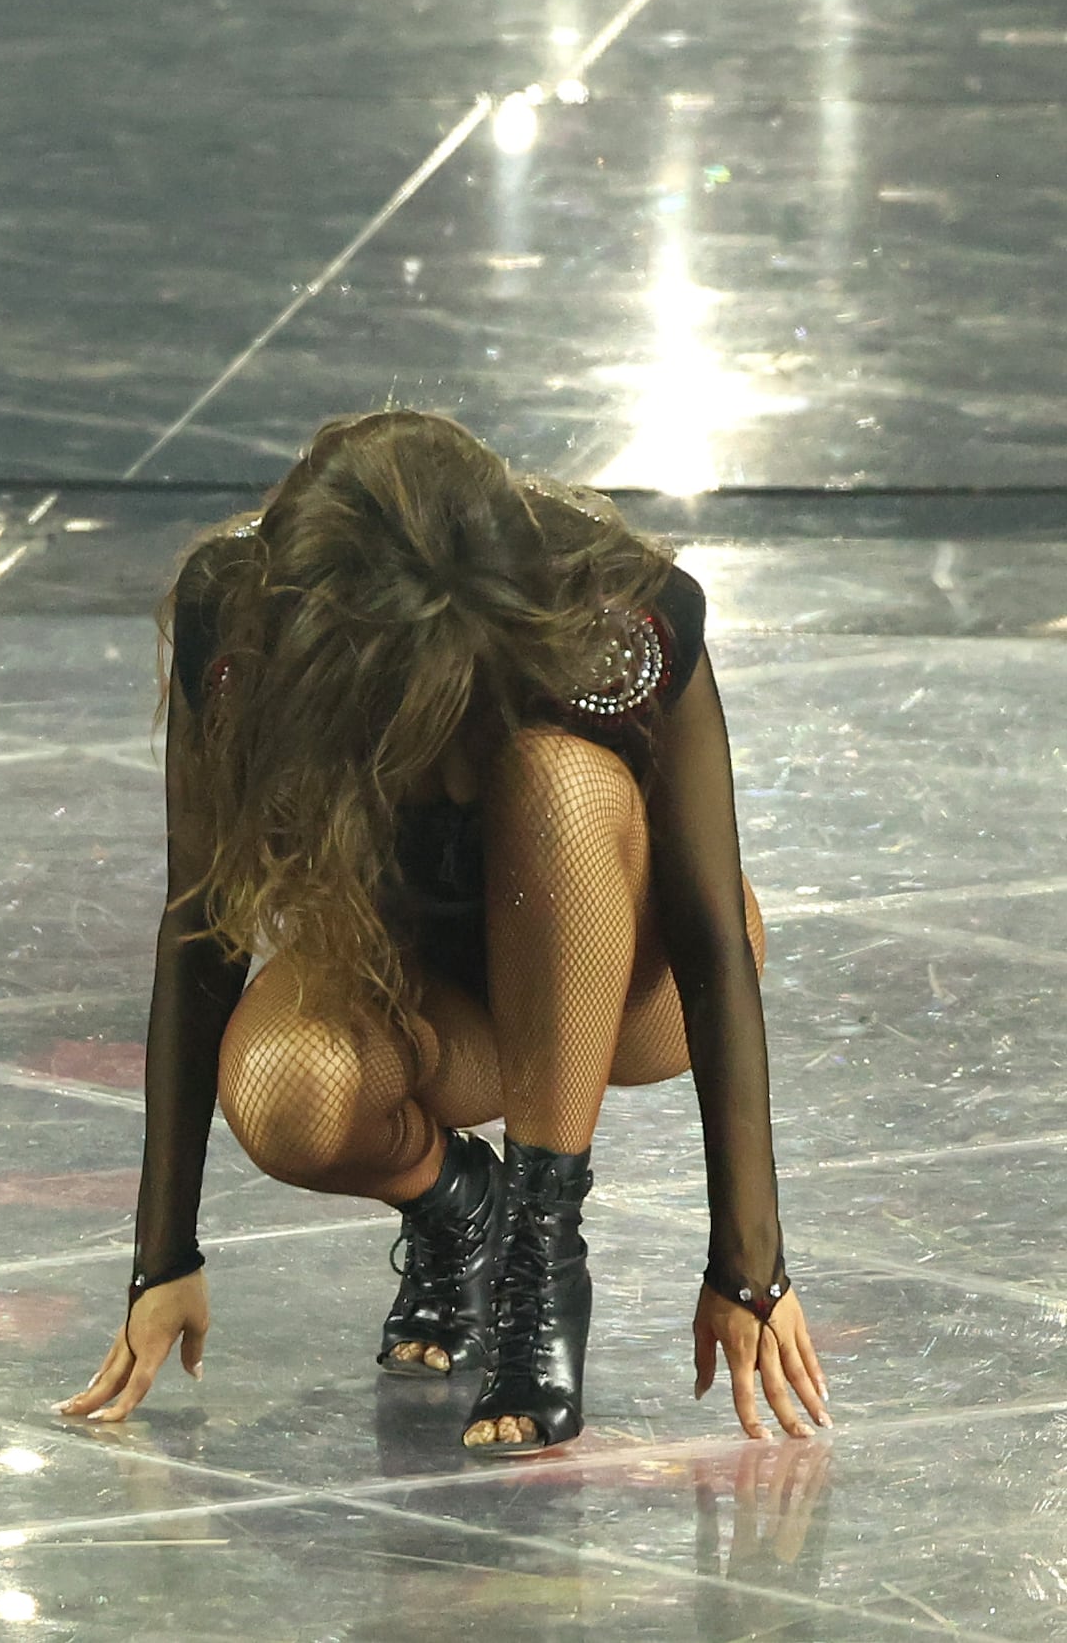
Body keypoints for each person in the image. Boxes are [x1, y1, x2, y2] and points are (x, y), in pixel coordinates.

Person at [59, 410, 827, 1456]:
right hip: (440, 1010)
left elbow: (706, 934)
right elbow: (201, 924)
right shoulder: (235, 624)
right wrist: (162, 1255)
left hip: (626, 994)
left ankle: (539, 1258)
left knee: (548, 776)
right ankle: (459, 1202)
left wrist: (748, 1262)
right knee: (290, 1090)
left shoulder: (617, 614)